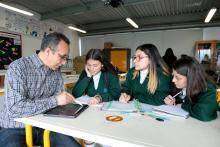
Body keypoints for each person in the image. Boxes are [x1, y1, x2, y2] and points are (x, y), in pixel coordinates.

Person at [0, 32, 81, 147]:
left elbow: (58, 103)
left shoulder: (56, 71)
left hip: (45, 125)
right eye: (62, 57)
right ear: (48, 51)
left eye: (65, 58)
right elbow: (15, 109)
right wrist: (56, 100)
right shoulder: (18, 67)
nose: (63, 62)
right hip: (15, 127)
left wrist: (69, 105)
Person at [164, 56, 219, 121]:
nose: (173, 80)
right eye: (173, 75)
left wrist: (182, 105)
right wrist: (173, 103)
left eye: (178, 78)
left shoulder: (210, 89)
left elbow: (204, 113)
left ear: (191, 77)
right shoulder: (181, 85)